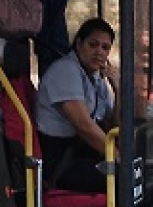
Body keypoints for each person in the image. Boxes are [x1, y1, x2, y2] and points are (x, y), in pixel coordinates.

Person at [35, 17, 119, 193]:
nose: (99, 52)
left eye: (105, 48)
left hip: (82, 152)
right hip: (61, 161)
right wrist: (118, 157)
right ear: (79, 44)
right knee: (123, 179)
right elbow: (83, 125)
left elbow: (112, 124)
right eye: (93, 44)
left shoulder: (96, 78)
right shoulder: (65, 70)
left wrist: (118, 89)